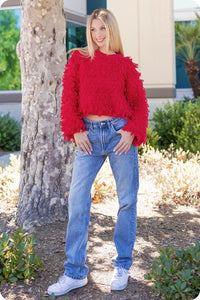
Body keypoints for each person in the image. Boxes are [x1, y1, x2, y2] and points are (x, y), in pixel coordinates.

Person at [47, 8, 149, 297]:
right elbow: (69, 96)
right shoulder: (78, 60)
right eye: (93, 30)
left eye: (103, 29)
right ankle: (74, 272)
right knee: (77, 201)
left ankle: (123, 265)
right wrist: (76, 129)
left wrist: (130, 131)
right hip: (88, 138)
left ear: (111, 30)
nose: (98, 35)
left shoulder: (124, 65)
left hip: (119, 135)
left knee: (127, 201)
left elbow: (140, 104)